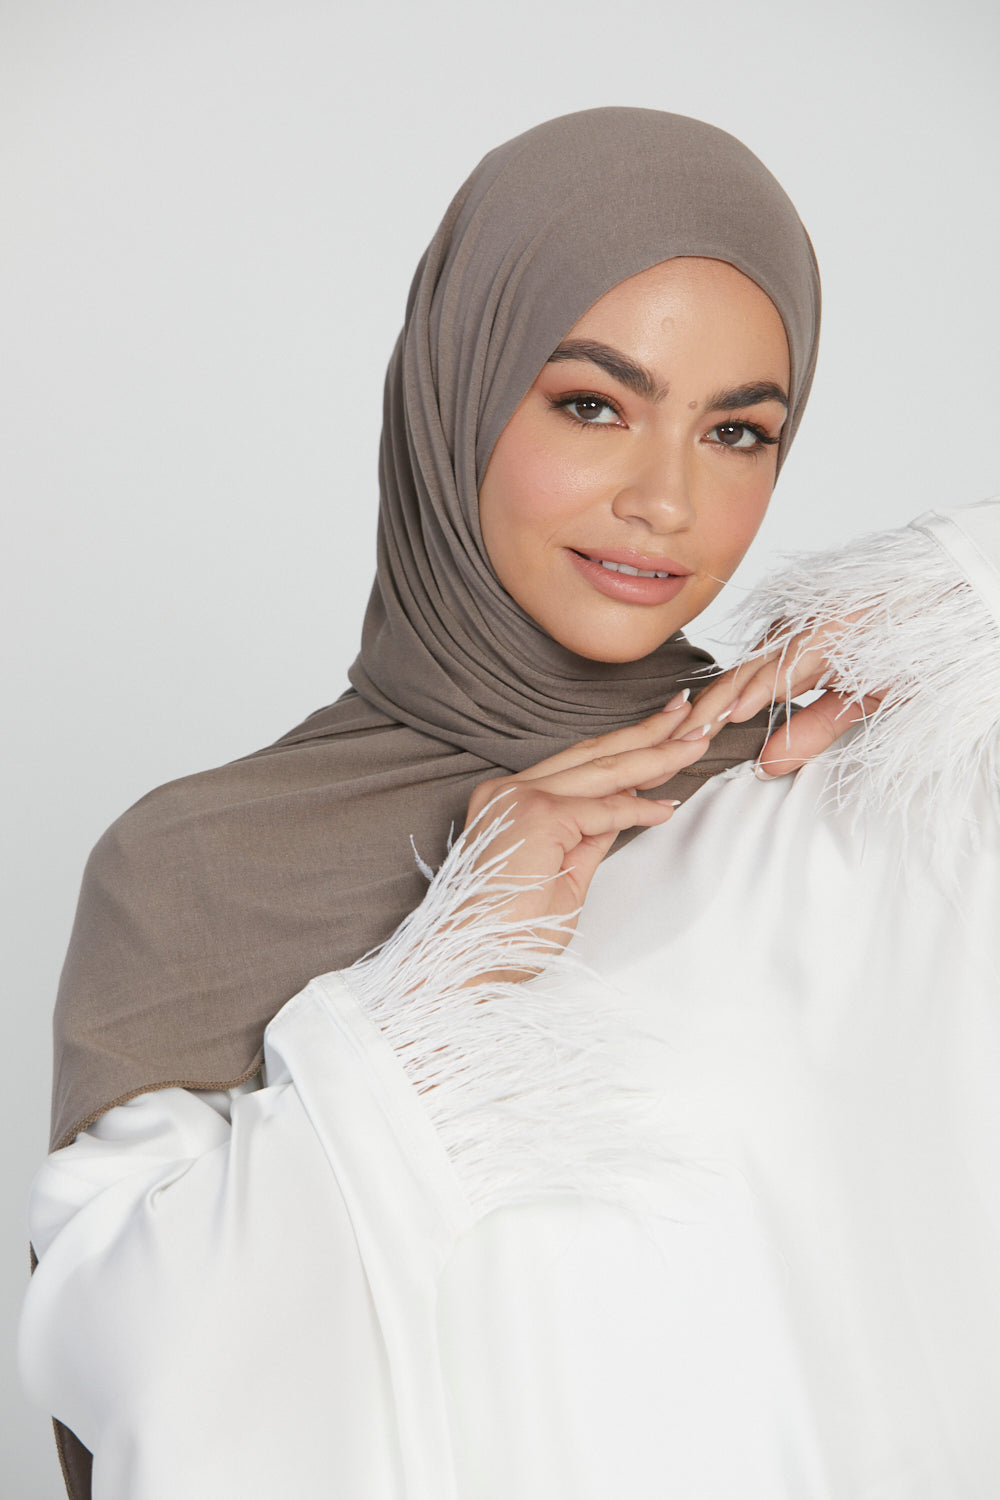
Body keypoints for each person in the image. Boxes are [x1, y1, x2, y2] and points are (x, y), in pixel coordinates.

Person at [19, 108, 1000, 1499]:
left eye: (737, 432)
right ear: (460, 388)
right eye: (594, 404)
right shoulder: (204, 866)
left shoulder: (839, 792)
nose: (667, 500)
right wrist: (447, 977)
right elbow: (162, 1384)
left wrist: (941, 606)